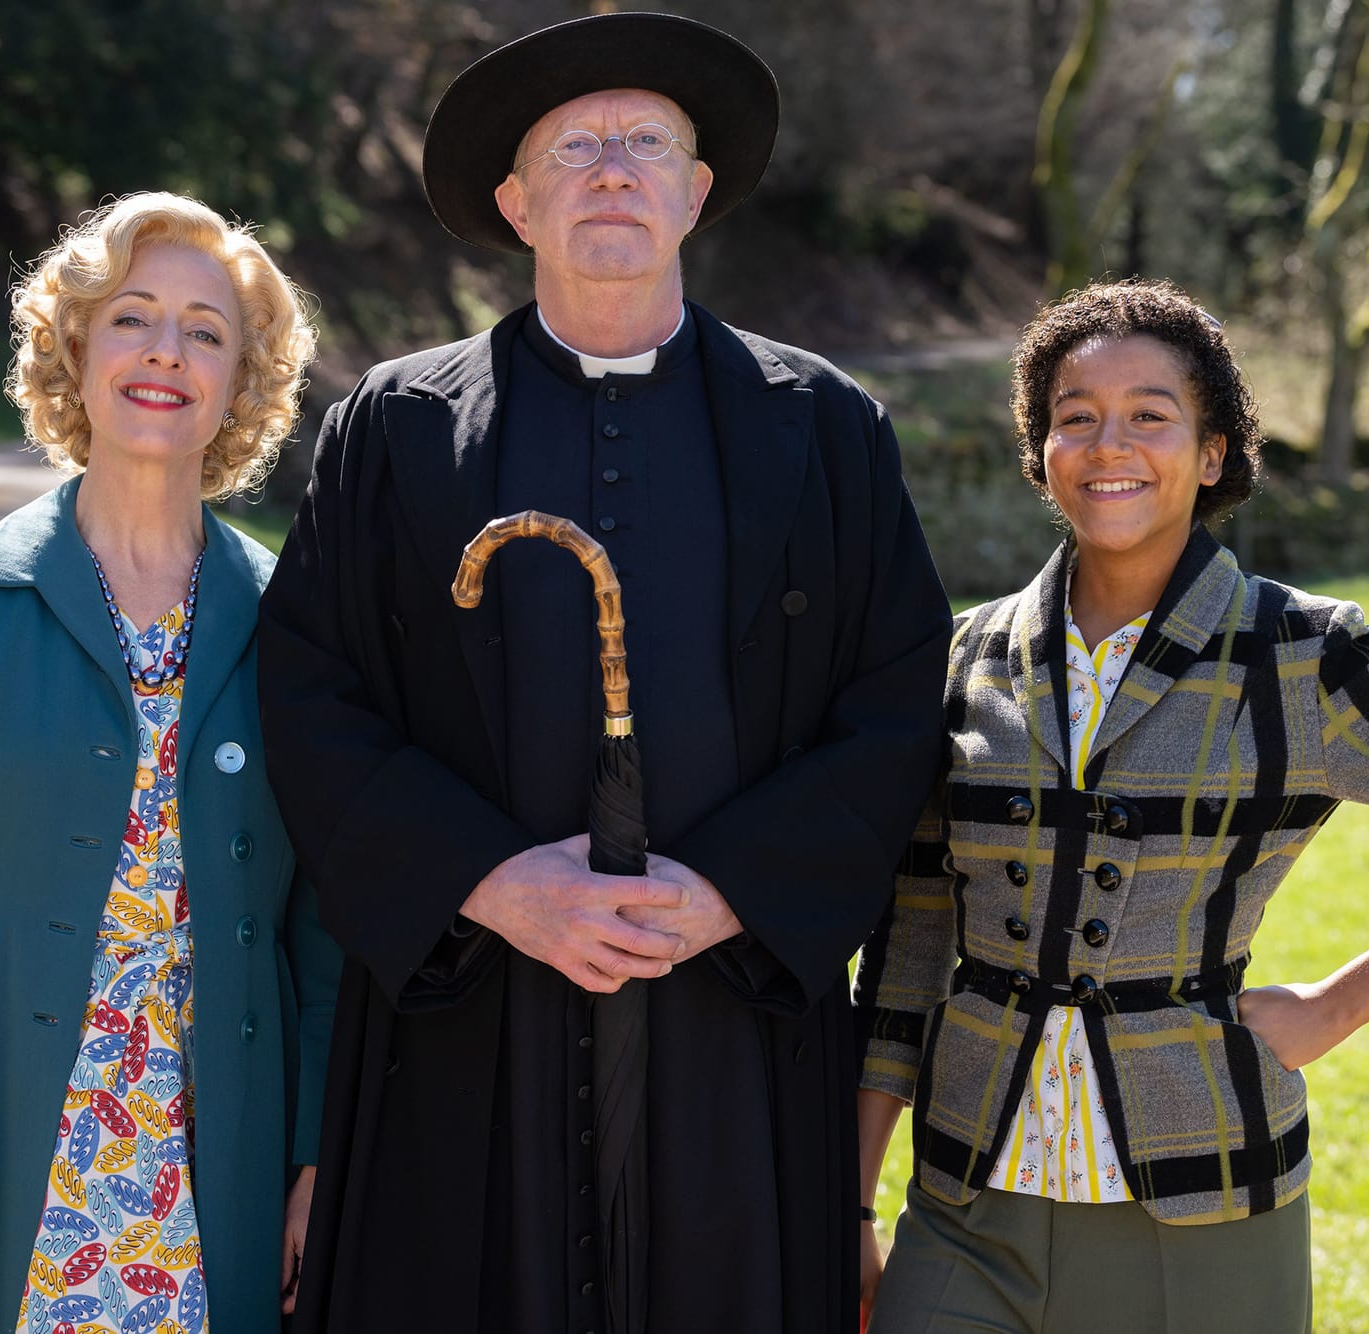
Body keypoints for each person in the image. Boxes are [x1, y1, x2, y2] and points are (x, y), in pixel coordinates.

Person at [256, 12, 951, 1334]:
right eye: (574, 147)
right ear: (516, 203)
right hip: (464, 1012)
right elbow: (309, 688)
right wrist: (493, 880)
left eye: (646, 143)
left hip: (733, 1018)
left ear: (695, 192)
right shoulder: (394, 429)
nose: (613, 168)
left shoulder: (827, 430)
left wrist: (731, 888)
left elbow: (899, 695)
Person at [853, 278, 1369, 1333]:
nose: (1108, 442)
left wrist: (1331, 1008)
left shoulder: (1297, 652)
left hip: (1203, 1210)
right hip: (964, 1203)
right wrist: (853, 1190)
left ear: (1211, 454)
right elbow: (911, 940)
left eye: (1149, 416)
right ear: (1041, 455)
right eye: (1075, 418)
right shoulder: (963, 655)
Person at [0, 191, 342, 1333]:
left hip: (221, 1150)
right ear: (74, 347)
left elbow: (325, 928)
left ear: (240, 381)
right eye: (133, 318)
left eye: (206, 331)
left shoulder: (297, 621)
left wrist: (316, 1159)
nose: (167, 352)